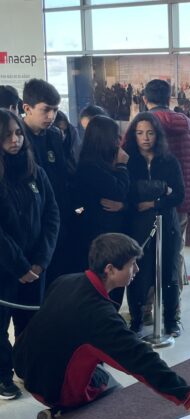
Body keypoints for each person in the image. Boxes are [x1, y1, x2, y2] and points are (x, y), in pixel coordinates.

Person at [13, 233, 190, 419]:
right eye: (132, 264)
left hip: (25, 367)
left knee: (96, 362)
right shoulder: (100, 317)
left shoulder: (65, 281)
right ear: (110, 269)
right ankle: (61, 412)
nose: (137, 270)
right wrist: (189, 399)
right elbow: (142, 360)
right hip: (51, 387)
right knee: (114, 390)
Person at [0, 109, 59, 401]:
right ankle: (3, 376)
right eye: (7, 135)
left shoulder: (35, 172)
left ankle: (27, 368)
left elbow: (52, 216)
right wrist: (20, 265)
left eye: (18, 133)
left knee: (32, 323)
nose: (15, 140)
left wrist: (40, 261)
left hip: (35, 268)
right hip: (5, 268)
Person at [143, 79, 190, 322]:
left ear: (145, 99)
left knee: (146, 253)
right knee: (174, 253)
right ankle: (173, 310)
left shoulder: (143, 124)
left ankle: (145, 309)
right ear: (169, 99)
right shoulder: (188, 124)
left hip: (150, 200)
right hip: (182, 198)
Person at [122, 112, 184, 337]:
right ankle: (137, 320)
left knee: (169, 272)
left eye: (150, 133)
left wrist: (152, 202)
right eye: (140, 133)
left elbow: (178, 194)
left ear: (157, 134)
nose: (145, 138)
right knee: (138, 274)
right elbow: (129, 192)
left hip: (167, 223)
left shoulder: (169, 160)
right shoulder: (128, 160)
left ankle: (171, 321)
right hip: (138, 226)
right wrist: (161, 188)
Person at [22, 78, 77, 284]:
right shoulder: (16, 139)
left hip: (58, 216)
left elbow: (62, 175)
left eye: (55, 110)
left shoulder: (54, 135)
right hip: (32, 220)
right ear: (27, 108)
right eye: (46, 110)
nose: (51, 116)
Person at [71, 116, 129, 305]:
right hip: (97, 235)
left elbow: (126, 196)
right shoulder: (90, 167)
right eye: (115, 136)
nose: (119, 141)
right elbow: (119, 191)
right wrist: (122, 165)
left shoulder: (102, 163)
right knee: (103, 286)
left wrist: (123, 206)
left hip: (110, 233)